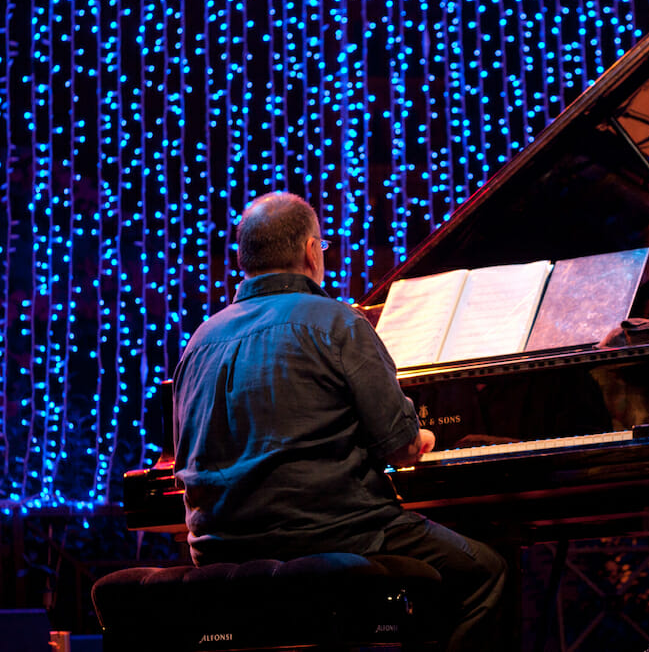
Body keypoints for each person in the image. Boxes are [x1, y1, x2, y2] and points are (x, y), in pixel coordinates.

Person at [172, 191, 506, 650]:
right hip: (333, 535)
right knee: (486, 571)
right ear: (312, 251)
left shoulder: (200, 340)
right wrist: (423, 436)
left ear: (244, 257)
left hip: (217, 544)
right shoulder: (337, 323)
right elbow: (400, 447)